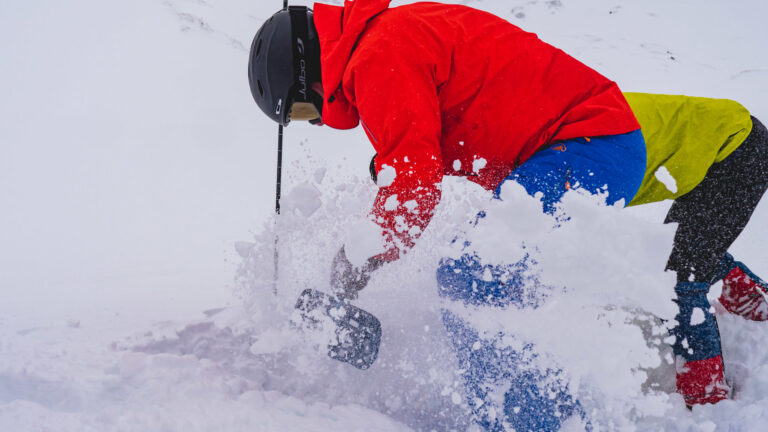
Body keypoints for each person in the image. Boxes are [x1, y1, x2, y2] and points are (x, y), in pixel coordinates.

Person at [247, 1, 768, 429]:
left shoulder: (379, 54)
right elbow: (447, 128)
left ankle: (538, 421)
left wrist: (359, 258)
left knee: (474, 272)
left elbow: (414, 183)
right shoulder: (389, 37)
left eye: (298, 110)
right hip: (585, 142)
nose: (313, 121)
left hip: (588, 143)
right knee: (499, 270)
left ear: (304, 70)